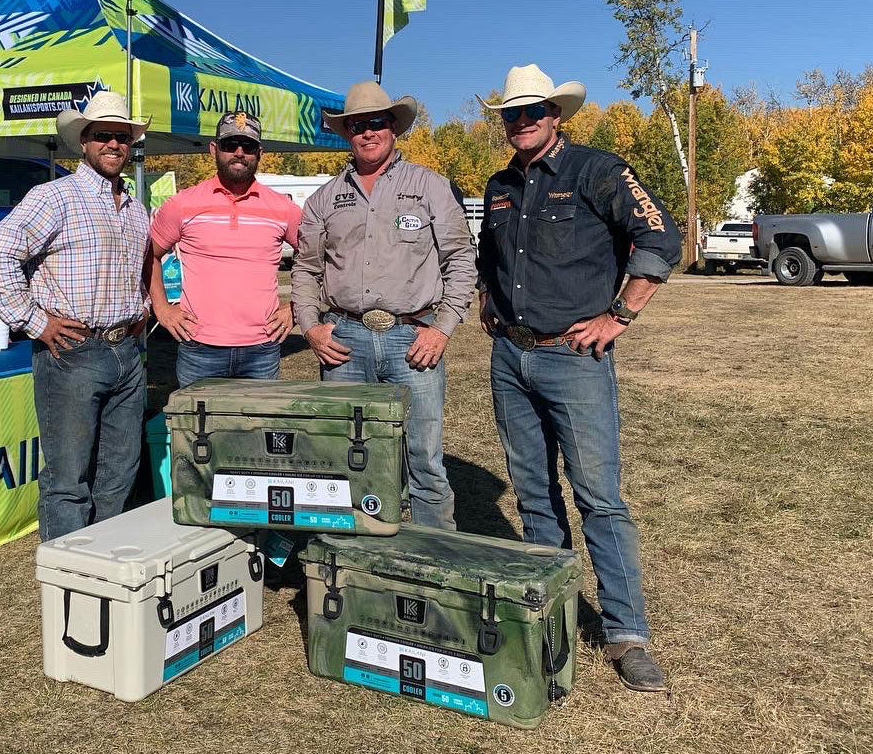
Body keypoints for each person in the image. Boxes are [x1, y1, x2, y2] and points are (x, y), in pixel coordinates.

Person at [476, 64, 682, 692]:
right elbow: (490, 253)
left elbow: (660, 237)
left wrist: (620, 313)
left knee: (598, 496)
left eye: (534, 110)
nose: (523, 120)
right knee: (534, 494)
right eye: (513, 112)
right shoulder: (500, 184)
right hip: (512, 358)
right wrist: (489, 298)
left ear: (557, 114)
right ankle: (551, 611)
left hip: (574, 357)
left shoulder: (598, 170)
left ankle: (625, 633)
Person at [290, 81, 476, 530]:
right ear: (346, 133)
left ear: (393, 128)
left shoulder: (431, 187)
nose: (368, 133)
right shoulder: (323, 199)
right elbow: (305, 270)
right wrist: (311, 327)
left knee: (424, 458)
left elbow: (461, 259)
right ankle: (353, 565)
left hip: (413, 339)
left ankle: (434, 566)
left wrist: (443, 328)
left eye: (377, 123)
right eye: (357, 125)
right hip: (345, 341)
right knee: (344, 456)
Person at [0, 91, 150, 542]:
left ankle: (105, 570)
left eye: (122, 137)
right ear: (84, 143)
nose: (114, 145)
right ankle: (69, 584)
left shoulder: (135, 207)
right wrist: (34, 322)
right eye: (103, 136)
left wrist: (142, 314)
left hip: (127, 352)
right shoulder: (55, 197)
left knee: (118, 476)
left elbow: (135, 274)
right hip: (73, 351)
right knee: (68, 481)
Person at [148, 111, 299, 387]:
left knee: (257, 429)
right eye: (230, 145)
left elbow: (316, 259)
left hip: (262, 349)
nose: (239, 152)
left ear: (260, 152)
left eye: (248, 146)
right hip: (199, 348)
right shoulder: (182, 204)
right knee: (199, 430)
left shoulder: (283, 208)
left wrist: (295, 307)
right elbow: (150, 255)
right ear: (214, 150)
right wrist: (162, 308)